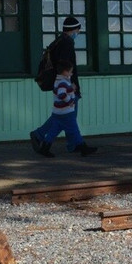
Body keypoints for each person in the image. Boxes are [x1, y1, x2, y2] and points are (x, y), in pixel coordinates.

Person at [29, 15, 97, 157]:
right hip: (67, 84)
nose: (78, 33)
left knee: (63, 117)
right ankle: (74, 144)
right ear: (73, 29)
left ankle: (68, 143)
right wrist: (70, 83)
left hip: (62, 82)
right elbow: (65, 64)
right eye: (77, 30)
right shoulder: (67, 43)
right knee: (68, 117)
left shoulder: (59, 40)